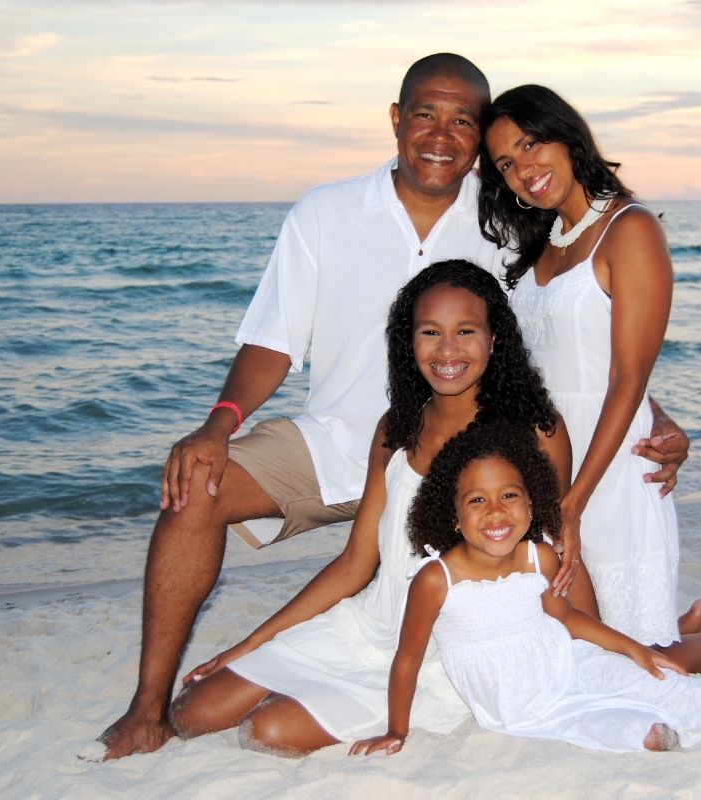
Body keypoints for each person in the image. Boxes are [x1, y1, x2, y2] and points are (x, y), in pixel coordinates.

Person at [98, 56, 690, 760]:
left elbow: (573, 328)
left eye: (463, 122)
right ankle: (145, 709)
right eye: (424, 115)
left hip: (459, 468)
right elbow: (272, 344)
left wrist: (657, 413)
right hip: (347, 444)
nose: (441, 135)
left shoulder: (506, 218)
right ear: (395, 119)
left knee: (594, 643)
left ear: (477, 142)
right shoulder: (325, 211)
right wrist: (217, 424)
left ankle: (694, 638)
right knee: (195, 486)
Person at [164, 260, 577, 756]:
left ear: (495, 339)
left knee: (267, 731)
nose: (448, 350)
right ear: (409, 342)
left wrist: (589, 656)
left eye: (466, 331)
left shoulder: (536, 430)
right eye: (430, 332)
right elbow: (355, 564)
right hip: (373, 622)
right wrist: (252, 644)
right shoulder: (396, 428)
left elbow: (555, 561)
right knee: (192, 712)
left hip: (449, 647)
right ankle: (308, 684)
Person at [349, 422, 701, 756]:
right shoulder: (436, 580)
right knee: (629, 729)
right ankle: (653, 731)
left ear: (532, 505)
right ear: (453, 514)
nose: (496, 513)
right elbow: (408, 660)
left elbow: (568, 620)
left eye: (509, 496)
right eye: (477, 501)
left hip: (569, 663)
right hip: (524, 706)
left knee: (678, 688)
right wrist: (397, 730)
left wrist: (634, 651)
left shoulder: (541, 555)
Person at [477, 83, 694, 646]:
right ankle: (692, 630)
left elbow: (628, 374)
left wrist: (572, 503)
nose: (523, 169)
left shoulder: (630, 230)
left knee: (627, 653)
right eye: (506, 162)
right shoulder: (541, 241)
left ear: (568, 138)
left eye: (530, 145)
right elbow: (567, 356)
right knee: (577, 643)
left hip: (609, 466)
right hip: (542, 458)